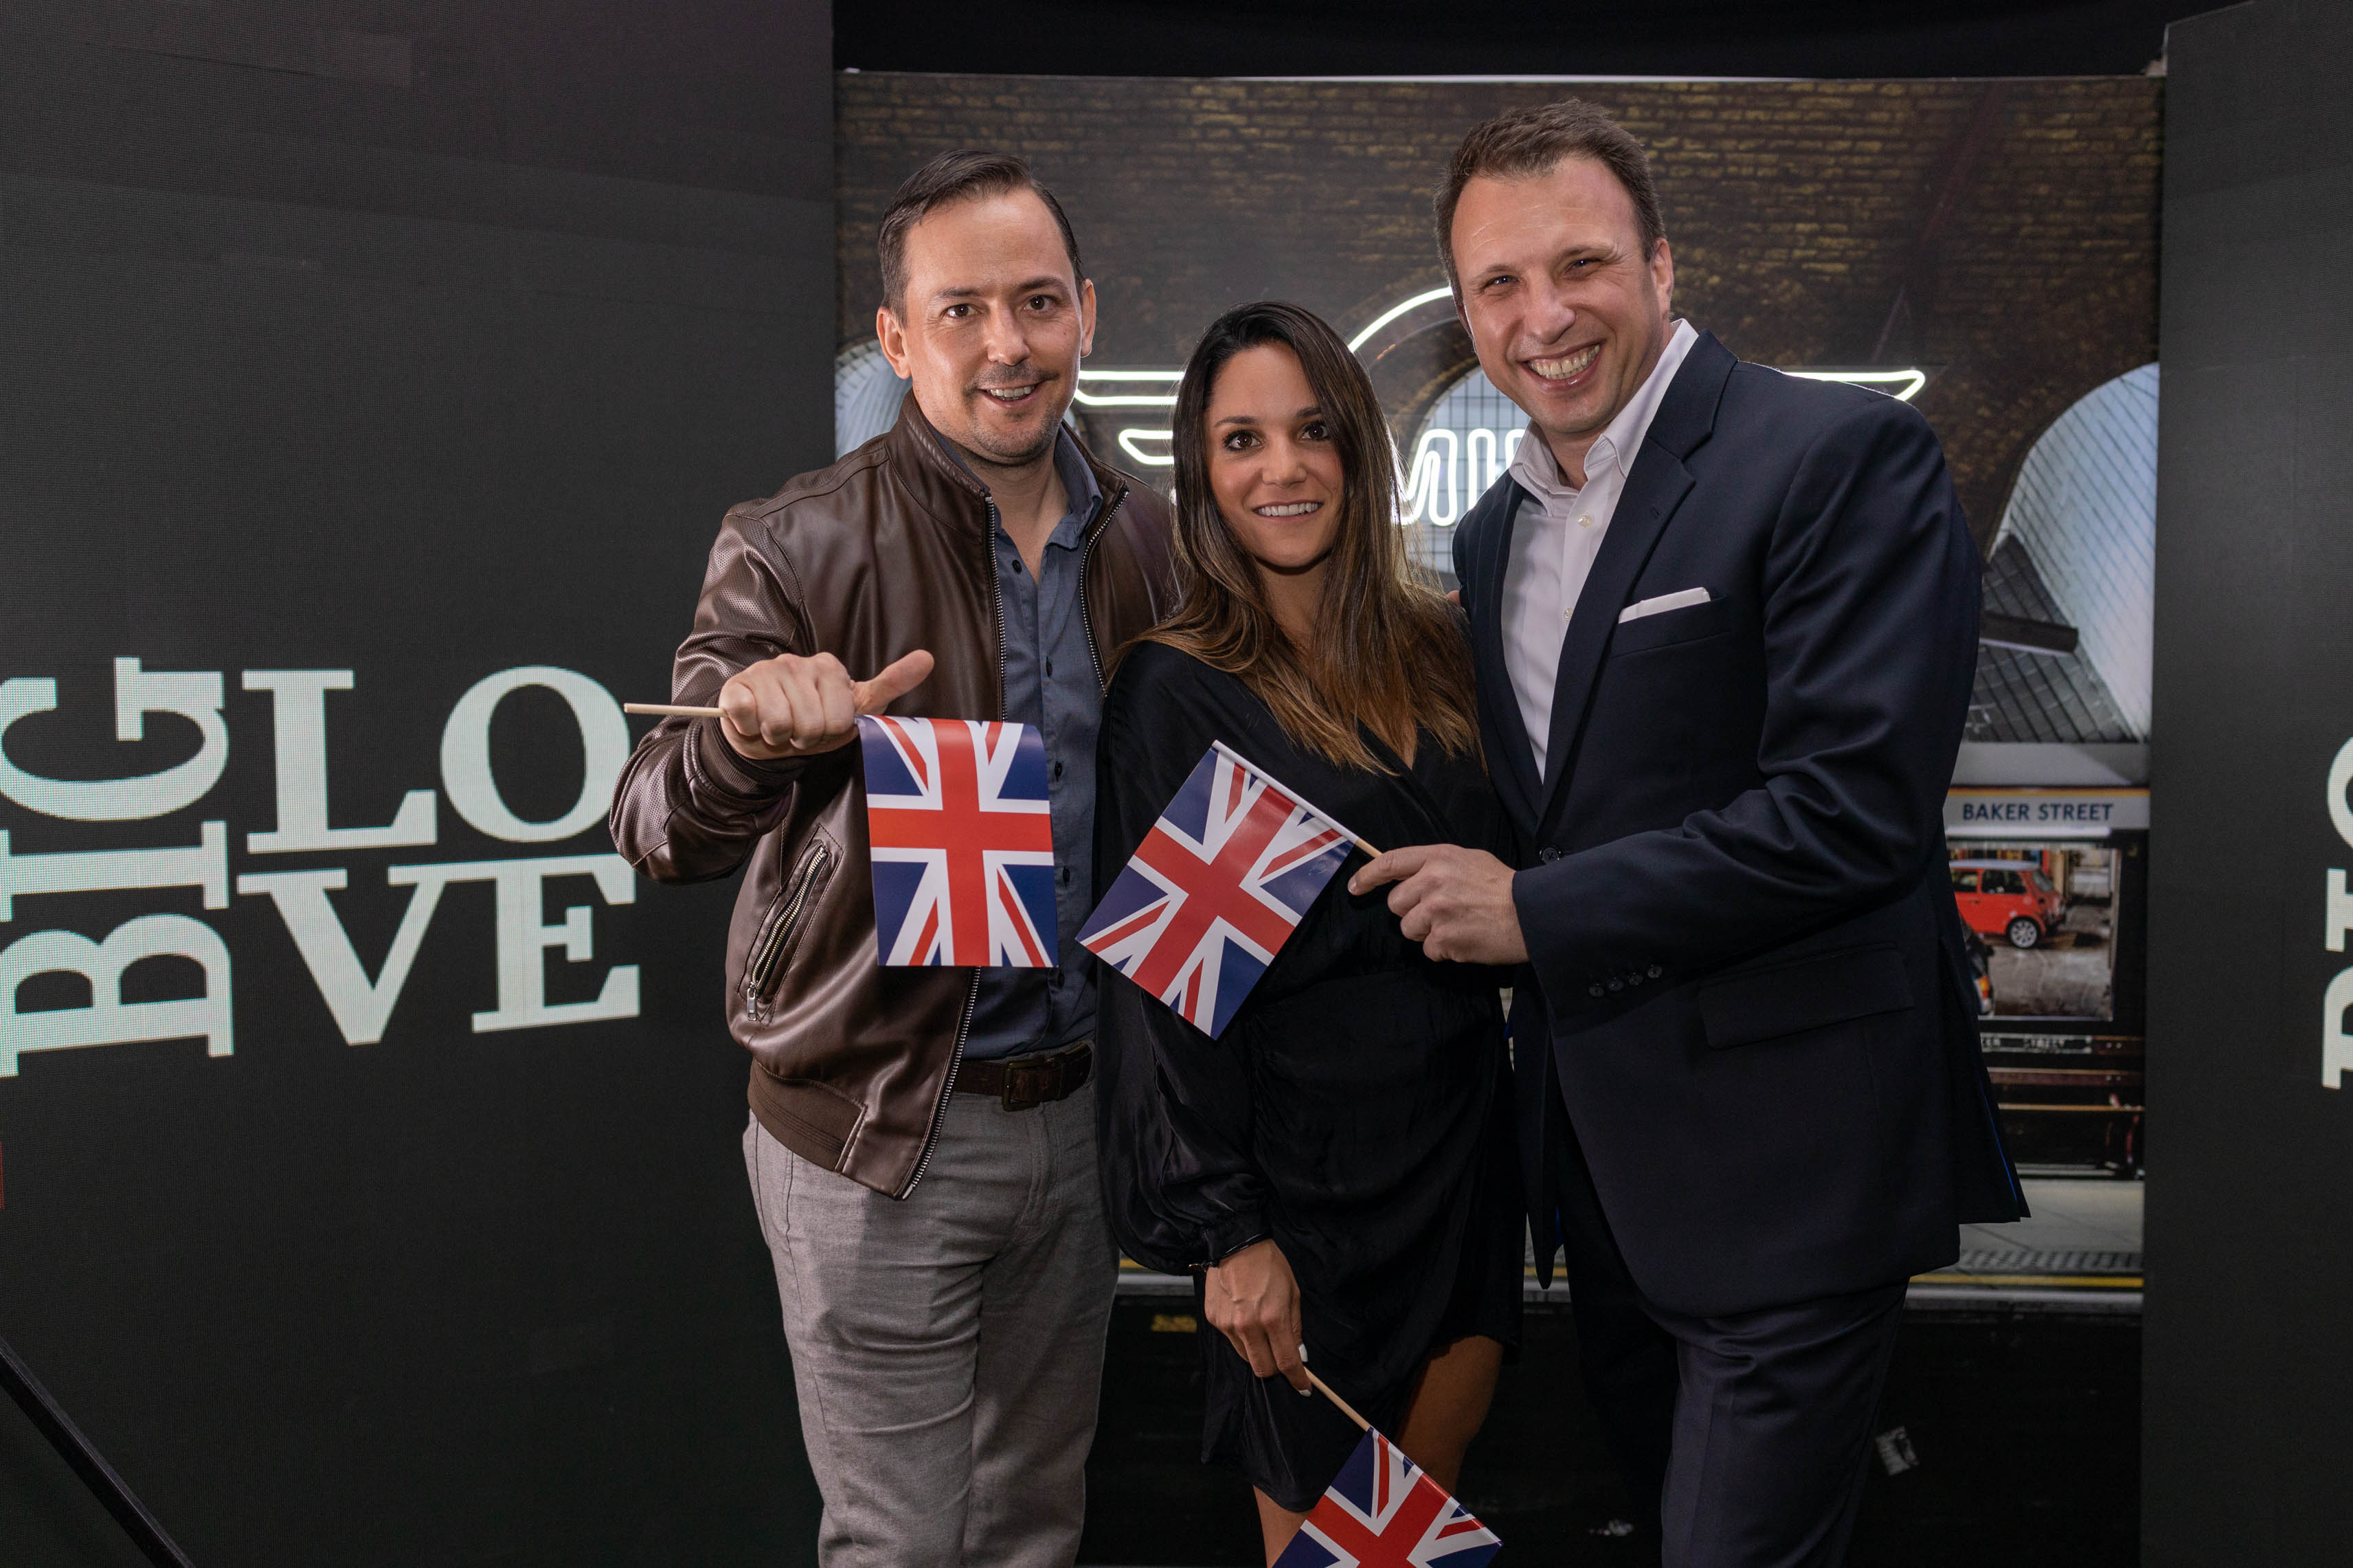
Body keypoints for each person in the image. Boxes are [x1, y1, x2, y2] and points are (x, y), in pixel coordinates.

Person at [1351, 100, 2027, 1567]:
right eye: (1498, 285)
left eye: (1580, 264)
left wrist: (1534, 913)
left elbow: (1852, 810)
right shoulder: (1491, 533)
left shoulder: (1838, 454)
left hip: (1792, 1173)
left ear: (1661, 263)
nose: (1543, 317)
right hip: (1605, 1185)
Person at [608, 150, 1175, 1568]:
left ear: (1088, 312)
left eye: (1036, 302)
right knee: (900, 1544)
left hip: (1081, 1119)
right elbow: (654, 822)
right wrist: (753, 741)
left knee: (1035, 1522)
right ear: (897, 338)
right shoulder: (795, 540)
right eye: (960, 309)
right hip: (877, 1131)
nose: (1007, 345)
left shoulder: (1152, 538)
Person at [1092, 300, 1522, 1567]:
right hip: (1301, 1198)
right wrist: (1229, 1236)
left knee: (1425, 1537)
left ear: (1357, 449)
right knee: (1336, 1551)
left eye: (1311, 430)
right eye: (1241, 440)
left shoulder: (1445, 652)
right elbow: (1164, 1005)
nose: (1281, 468)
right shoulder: (1177, 689)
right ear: (1200, 471)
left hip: (1460, 1162)